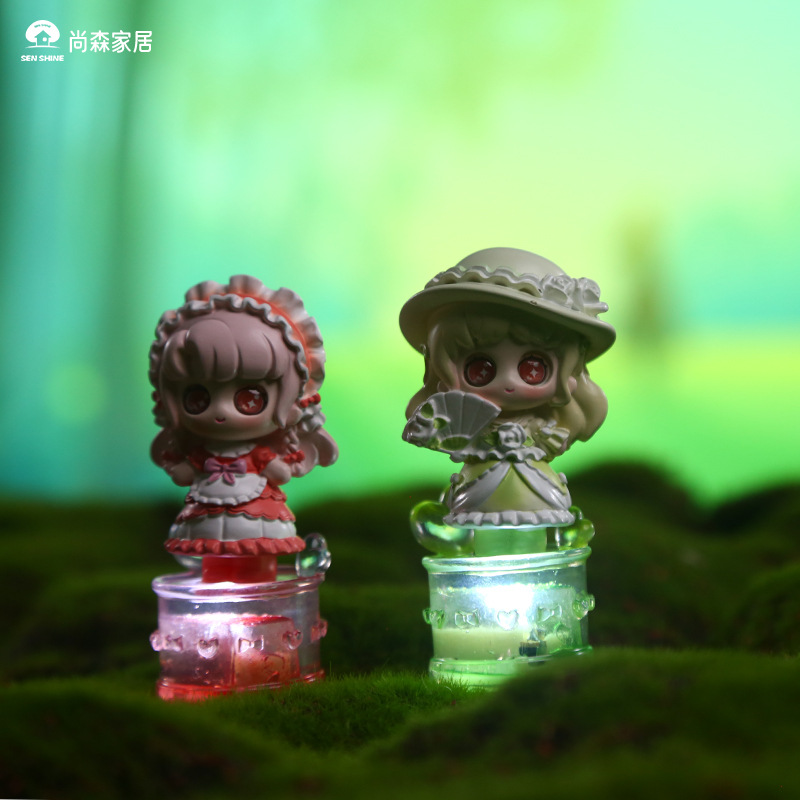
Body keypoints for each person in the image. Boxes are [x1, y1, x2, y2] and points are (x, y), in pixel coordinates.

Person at [149, 275, 337, 558]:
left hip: (258, 517)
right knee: (209, 559)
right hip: (206, 517)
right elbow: (183, 473)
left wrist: (276, 464)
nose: (221, 410)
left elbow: (280, 473)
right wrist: (181, 466)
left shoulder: (257, 454)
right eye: (198, 398)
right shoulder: (202, 454)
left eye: (249, 398)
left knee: (258, 559)